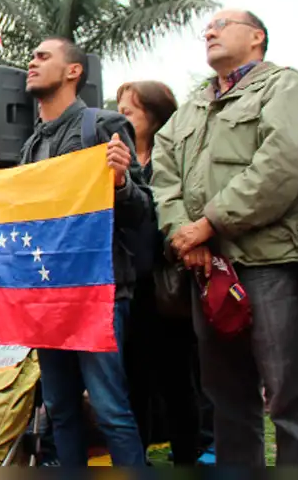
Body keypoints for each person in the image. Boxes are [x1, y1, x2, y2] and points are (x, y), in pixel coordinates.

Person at [152, 10, 298, 465]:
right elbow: (162, 179)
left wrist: (209, 223)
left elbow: (280, 164)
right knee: (227, 399)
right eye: (206, 28)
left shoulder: (284, 85)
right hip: (206, 268)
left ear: (256, 37)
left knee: (286, 395)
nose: (209, 31)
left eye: (222, 25)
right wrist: (186, 239)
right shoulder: (191, 107)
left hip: (269, 262)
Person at [20, 37, 150, 467]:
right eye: (32, 57)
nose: (31, 63)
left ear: (73, 71)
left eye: (43, 57)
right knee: (59, 409)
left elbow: (143, 210)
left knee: (111, 409)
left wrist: (120, 183)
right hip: (48, 294)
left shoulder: (105, 125)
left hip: (99, 290)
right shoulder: (31, 146)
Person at [116, 81, 209, 466]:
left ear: (154, 118)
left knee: (177, 379)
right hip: (129, 283)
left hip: (169, 284)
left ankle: (189, 454)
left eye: (129, 112)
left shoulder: (175, 158)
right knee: (132, 379)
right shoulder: (114, 160)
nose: (119, 119)